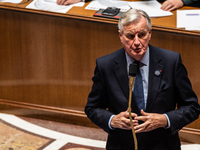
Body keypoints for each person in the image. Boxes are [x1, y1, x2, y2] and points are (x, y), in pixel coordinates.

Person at [84, 8, 200, 150]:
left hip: (162, 145)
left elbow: (192, 108)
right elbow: (92, 108)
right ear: (120, 36)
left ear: (150, 33)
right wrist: (112, 120)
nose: (137, 42)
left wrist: (165, 120)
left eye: (142, 35)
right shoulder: (106, 65)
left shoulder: (171, 62)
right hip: (122, 145)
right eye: (130, 36)